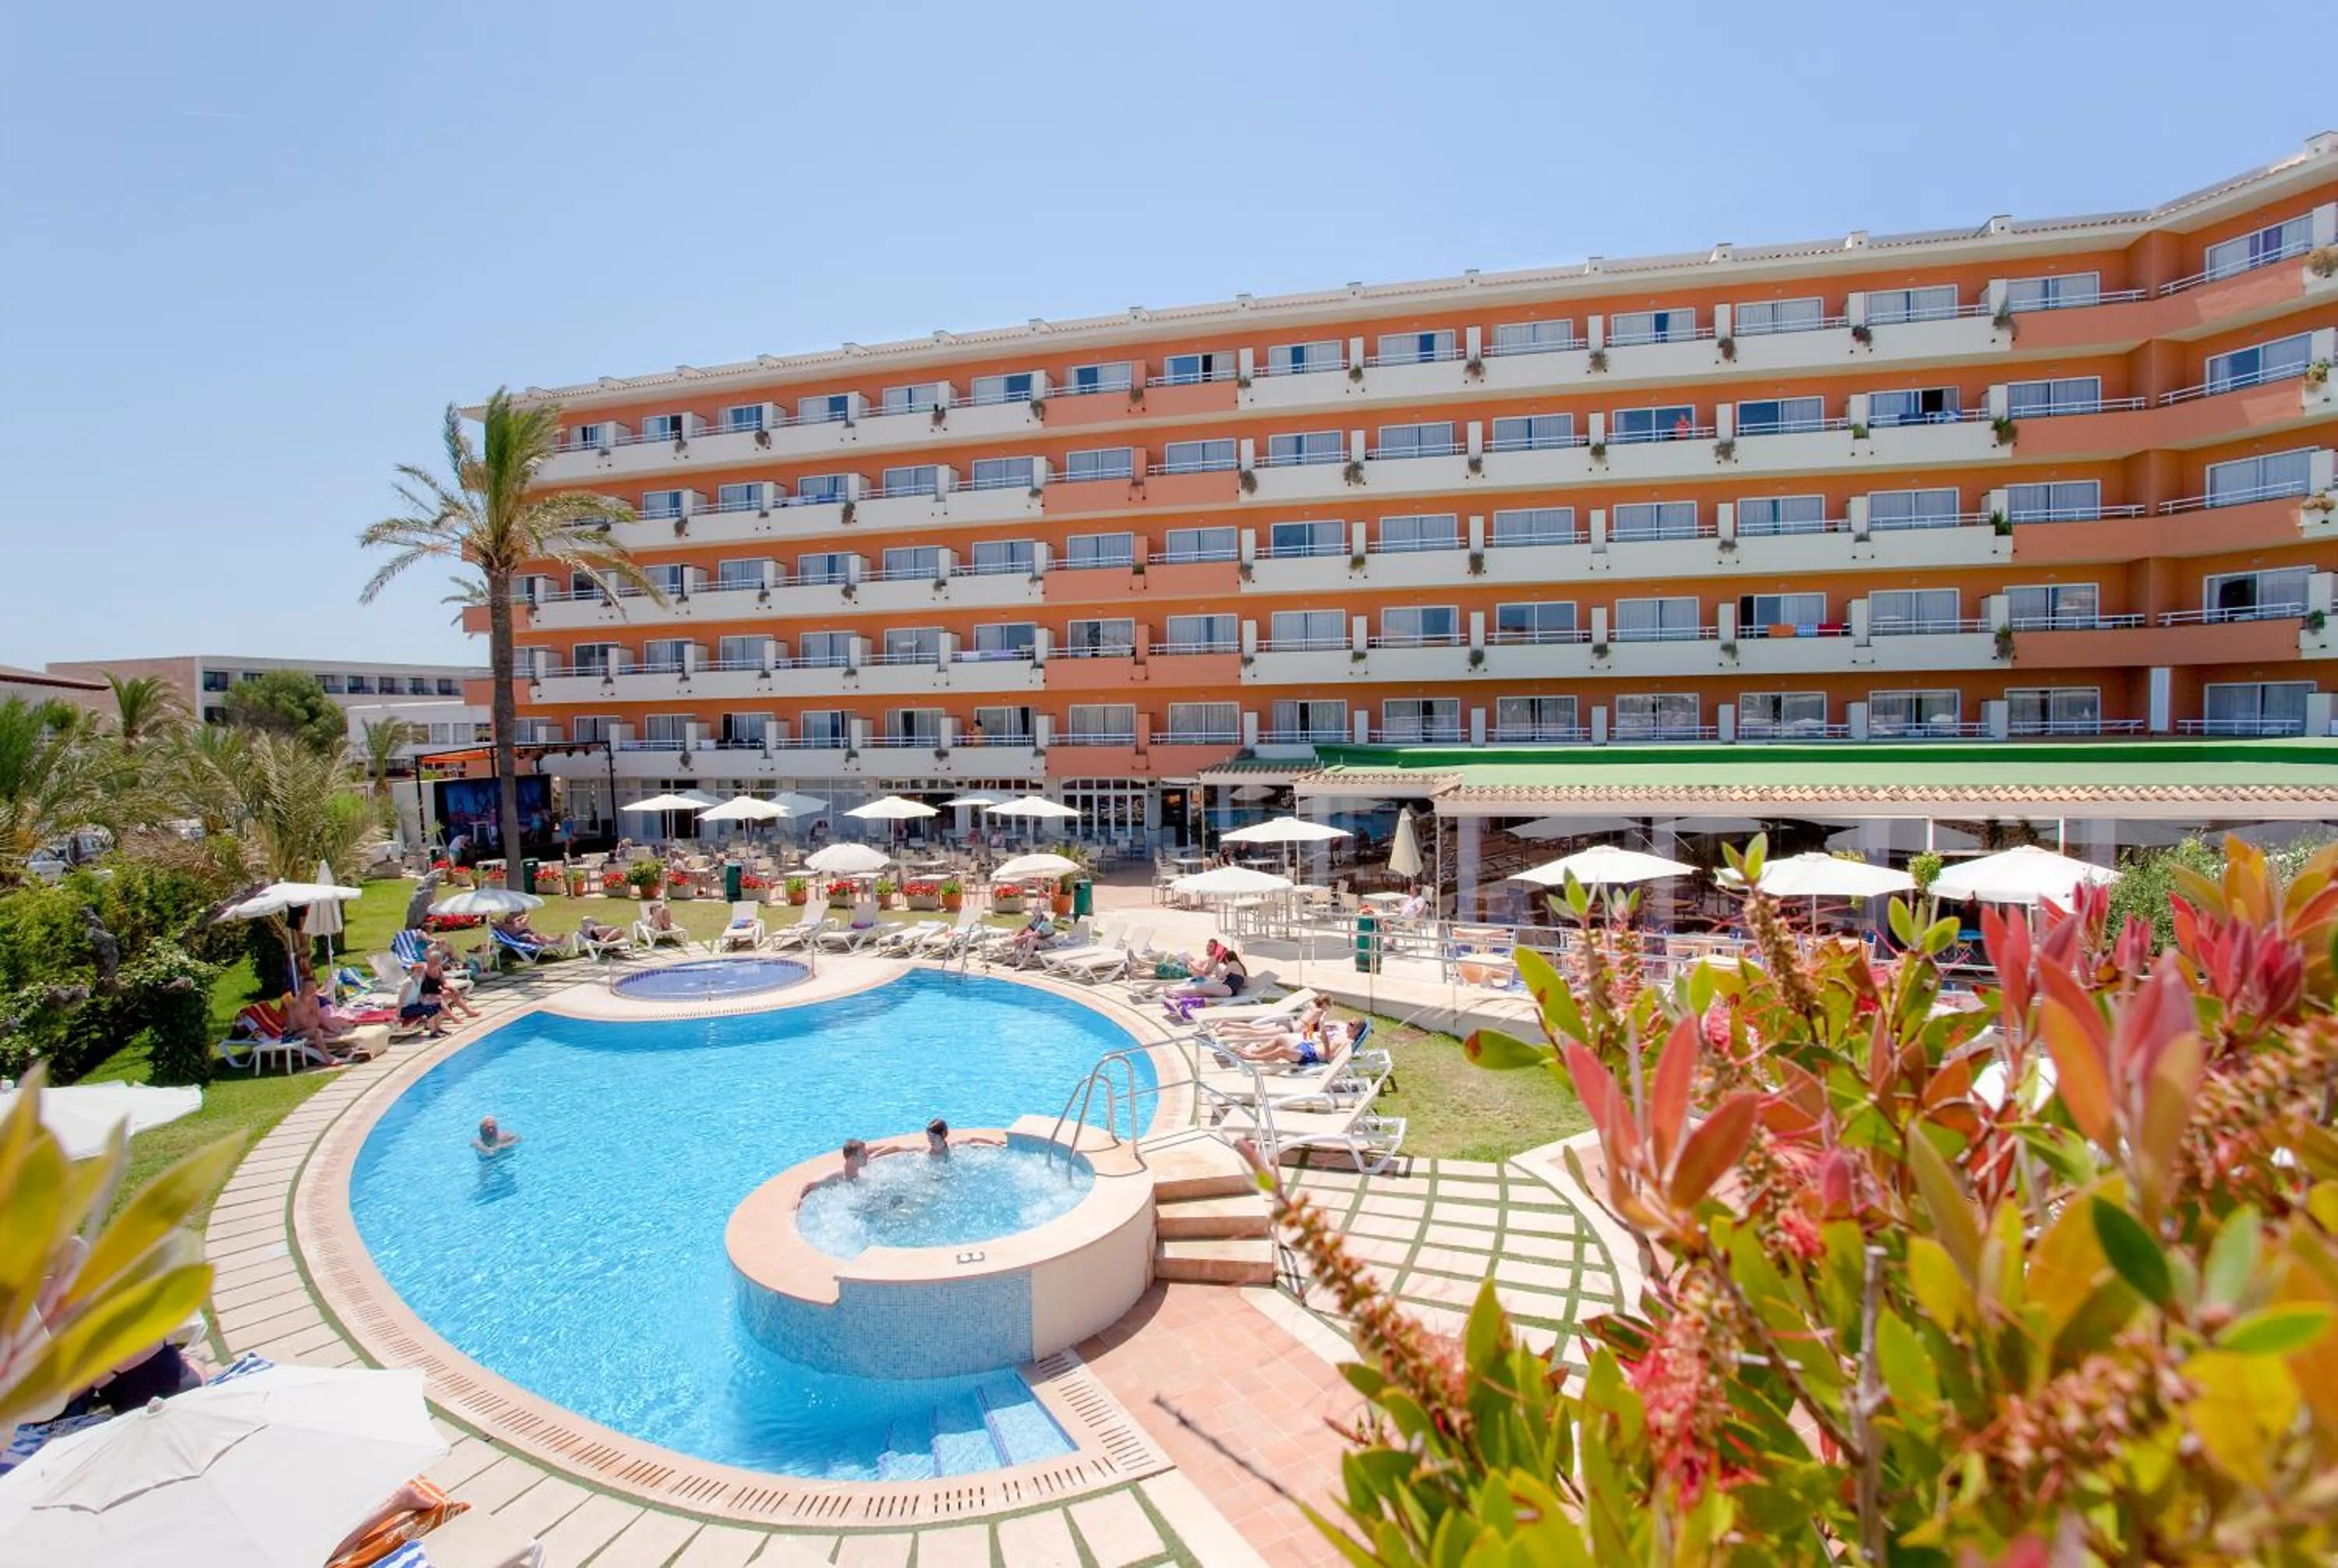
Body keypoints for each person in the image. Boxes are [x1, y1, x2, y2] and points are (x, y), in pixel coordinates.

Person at [1221, 1002, 1350, 1067]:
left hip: (1294, 1034)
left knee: (1254, 1029)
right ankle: (1253, 1053)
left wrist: (1324, 1039)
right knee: (1253, 1030)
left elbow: (1330, 1058)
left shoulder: (1347, 1043)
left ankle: (1252, 1055)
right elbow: (1315, 1027)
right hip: (1290, 1030)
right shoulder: (1319, 1012)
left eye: (1351, 1025)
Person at [1166, 940, 1248, 1000]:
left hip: (1227, 989)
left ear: (1227, 958)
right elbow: (1245, 984)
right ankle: (1175, 993)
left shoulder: (1233, 963)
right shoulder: (1239, 968)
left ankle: (1173, 991)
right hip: (1228, 990)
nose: (1224, 962)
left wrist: (1217, 966)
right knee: (1201, 991)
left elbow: (1220, 977)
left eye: (1224, 960)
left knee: (1200, 987)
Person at [422, 948, 480, 1022]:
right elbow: (417, 987)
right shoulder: (424, 970)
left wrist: (451, 988)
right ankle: (454, 1018)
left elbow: (444, 984)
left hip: (435, 991)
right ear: (429, 960)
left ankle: (469, 1012)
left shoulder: (438, 969)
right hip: (425, 995)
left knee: (452, 993)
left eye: (437, 961)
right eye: (434, 961)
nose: (436, 963)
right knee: (439, 999)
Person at [397, 962, 447, 1038]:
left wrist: (430, 1001)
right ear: (413, 971)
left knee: (437, 1005)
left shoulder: (419, 980)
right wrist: (398, 1013)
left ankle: (438, 1028)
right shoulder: (409, 982)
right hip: (406, 1009)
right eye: (418, 971)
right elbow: (401, 998)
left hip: (415, 1005)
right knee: (430, 1010)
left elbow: (419, 996)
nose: (420, 973)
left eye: (421, 971)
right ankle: (433, 1032)